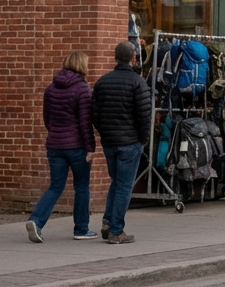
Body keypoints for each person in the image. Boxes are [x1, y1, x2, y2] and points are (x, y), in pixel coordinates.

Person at [26, 52, 97, 244]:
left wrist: (56, 134)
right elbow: (85, 122)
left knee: (56, 186)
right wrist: (90, 147)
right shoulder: (82, 89)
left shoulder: (51, 88)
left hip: (55, 145)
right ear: (82, 65)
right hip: (77, 147)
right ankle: (81, 229)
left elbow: (47, 118)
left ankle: (36, 220)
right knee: (81, 187)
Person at [92, 42, 151, 245]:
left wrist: (105, 133)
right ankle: (116, 230)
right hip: (130, 141)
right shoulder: (138, 83)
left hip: (110, 141)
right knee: (124, 186)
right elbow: (144, 116)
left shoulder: (102, 82)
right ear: (133, 58)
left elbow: (95, 114)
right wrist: (143, 139)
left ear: (115, 57)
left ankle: (108, 223)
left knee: (116, 182)